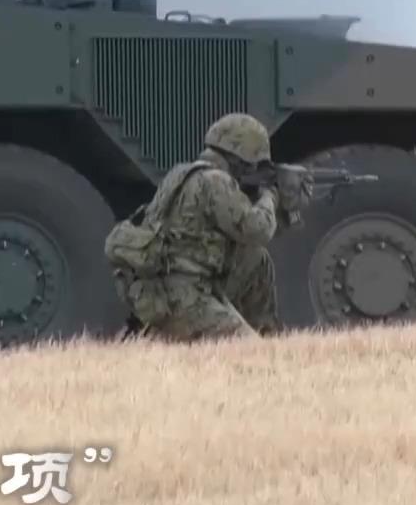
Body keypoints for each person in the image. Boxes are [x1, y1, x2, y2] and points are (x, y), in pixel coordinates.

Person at [104, 112, 302, 341]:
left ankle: (268, 332)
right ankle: (164, 334)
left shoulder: (181, 174)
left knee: (256, 258)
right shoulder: (216, 181)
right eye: (253, 164)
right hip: (186, 299)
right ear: (239, 159)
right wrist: (271, 196)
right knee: (249, 348)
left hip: (168, 288)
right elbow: (258, 230)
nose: (253, 170)